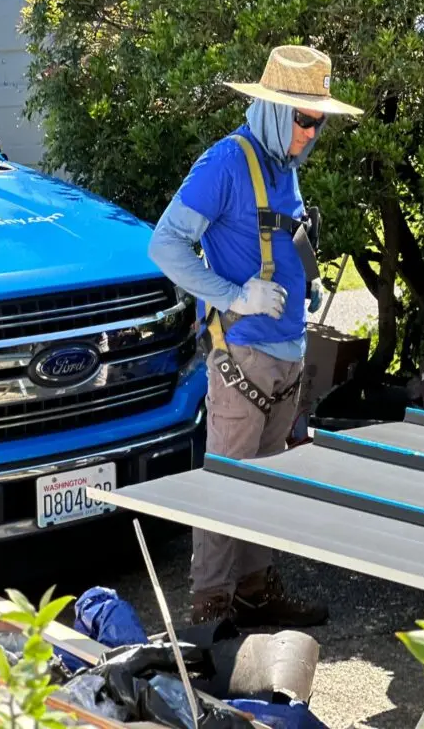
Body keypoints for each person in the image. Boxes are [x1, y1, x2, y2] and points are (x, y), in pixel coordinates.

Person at [147, 45, 364, 627]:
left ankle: (254, 590)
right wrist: (235, 296)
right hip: (242, 356)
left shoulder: (282, 164)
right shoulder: (225, 163)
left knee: (265, 482)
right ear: (271, 109)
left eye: (320, 122)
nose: (313, 133)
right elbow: (165, 246)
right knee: (227, 482)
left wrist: (302, 283)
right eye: (305, 119)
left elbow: (275, 239)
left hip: (286, 355)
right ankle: (208, 609)